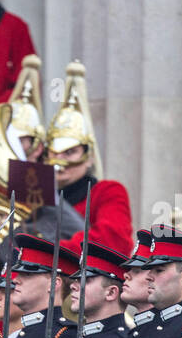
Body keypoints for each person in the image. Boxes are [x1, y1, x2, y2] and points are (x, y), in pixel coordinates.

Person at [45, 62, 133, 257]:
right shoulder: (33, 198)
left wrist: (42, 252)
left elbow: (112, 243)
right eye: (54, 152)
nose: (60, 161)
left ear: (89, 157)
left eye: (70, 153)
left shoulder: (107, 192)